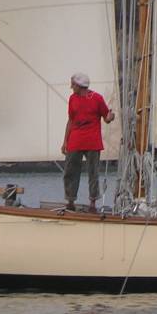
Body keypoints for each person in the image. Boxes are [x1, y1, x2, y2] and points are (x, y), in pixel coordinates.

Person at [61, 72, 114, 212]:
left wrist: (110, 116)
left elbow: (106, 118)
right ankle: (70, 200)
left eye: (73, 85)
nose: (71, 87)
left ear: (80, 86)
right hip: (75, 140)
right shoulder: (73, 99)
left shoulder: (97, 98)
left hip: (92, 141)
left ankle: (92, 202)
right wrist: (65, 141)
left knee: (93, 172)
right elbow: (71, 120)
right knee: (70, 171)